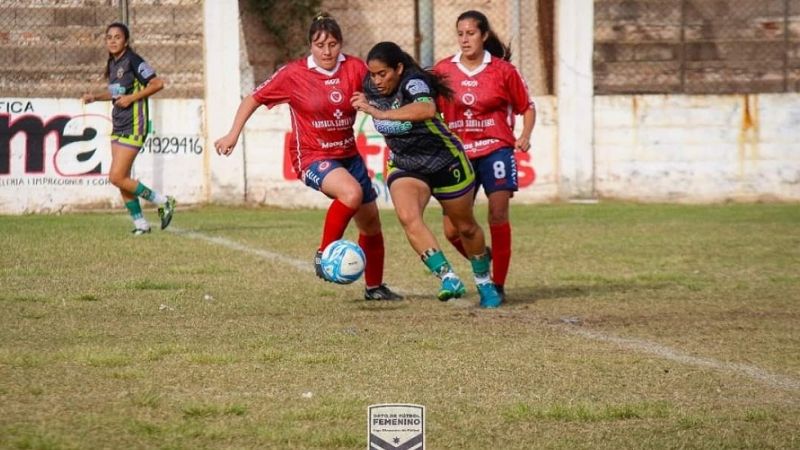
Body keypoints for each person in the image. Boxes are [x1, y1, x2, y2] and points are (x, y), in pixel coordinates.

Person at [214, 13, 401, 301]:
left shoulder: (354, 68)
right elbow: (254, 98)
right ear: (310, 46)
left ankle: (374, 288)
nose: (327, 52)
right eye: (320, 45)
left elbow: (381, 92)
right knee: (350, 193)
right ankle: (323, 254)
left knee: (371, 225)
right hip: (312, 156)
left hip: (348, 155)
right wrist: (232, 134)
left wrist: (370, 103)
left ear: (341, 44)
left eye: (333, 44)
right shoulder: (293, 74)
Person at [351, 41, 502, 308]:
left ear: (398, 68)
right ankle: (448, 277)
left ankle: (484, 281)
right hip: (406, 164)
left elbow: (426, 109)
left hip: (444, 161)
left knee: (465, 227)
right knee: (408, 217)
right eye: (372, 75)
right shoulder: (368, 85)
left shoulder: (413, 81)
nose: (376, 80)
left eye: (382, 74)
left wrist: (379, 112)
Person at [433, 10, 536, 301]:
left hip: (496, 148)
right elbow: (430, 108)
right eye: (461, 34)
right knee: (452, 229)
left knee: (498, 212)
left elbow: (526, 107)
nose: (465, 39)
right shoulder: (443, 71)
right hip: (458, 155)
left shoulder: (503, 71)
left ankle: (498, 285)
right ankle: (483, 257)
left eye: (471, 33)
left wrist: (525, 134)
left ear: (484, 35)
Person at [82, 22, 175, 235]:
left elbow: (157, 83)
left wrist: (132, 98)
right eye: (109, 37)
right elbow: (117, 93)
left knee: (116, 176)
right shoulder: (113, 64)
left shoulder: (133, 60)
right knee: (122, 179)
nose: (113, 40)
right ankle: (140, 224)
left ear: (126, 41)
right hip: (119, 125)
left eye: (117, 37)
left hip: (135, 125)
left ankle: (163, 201)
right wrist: (95, 97)